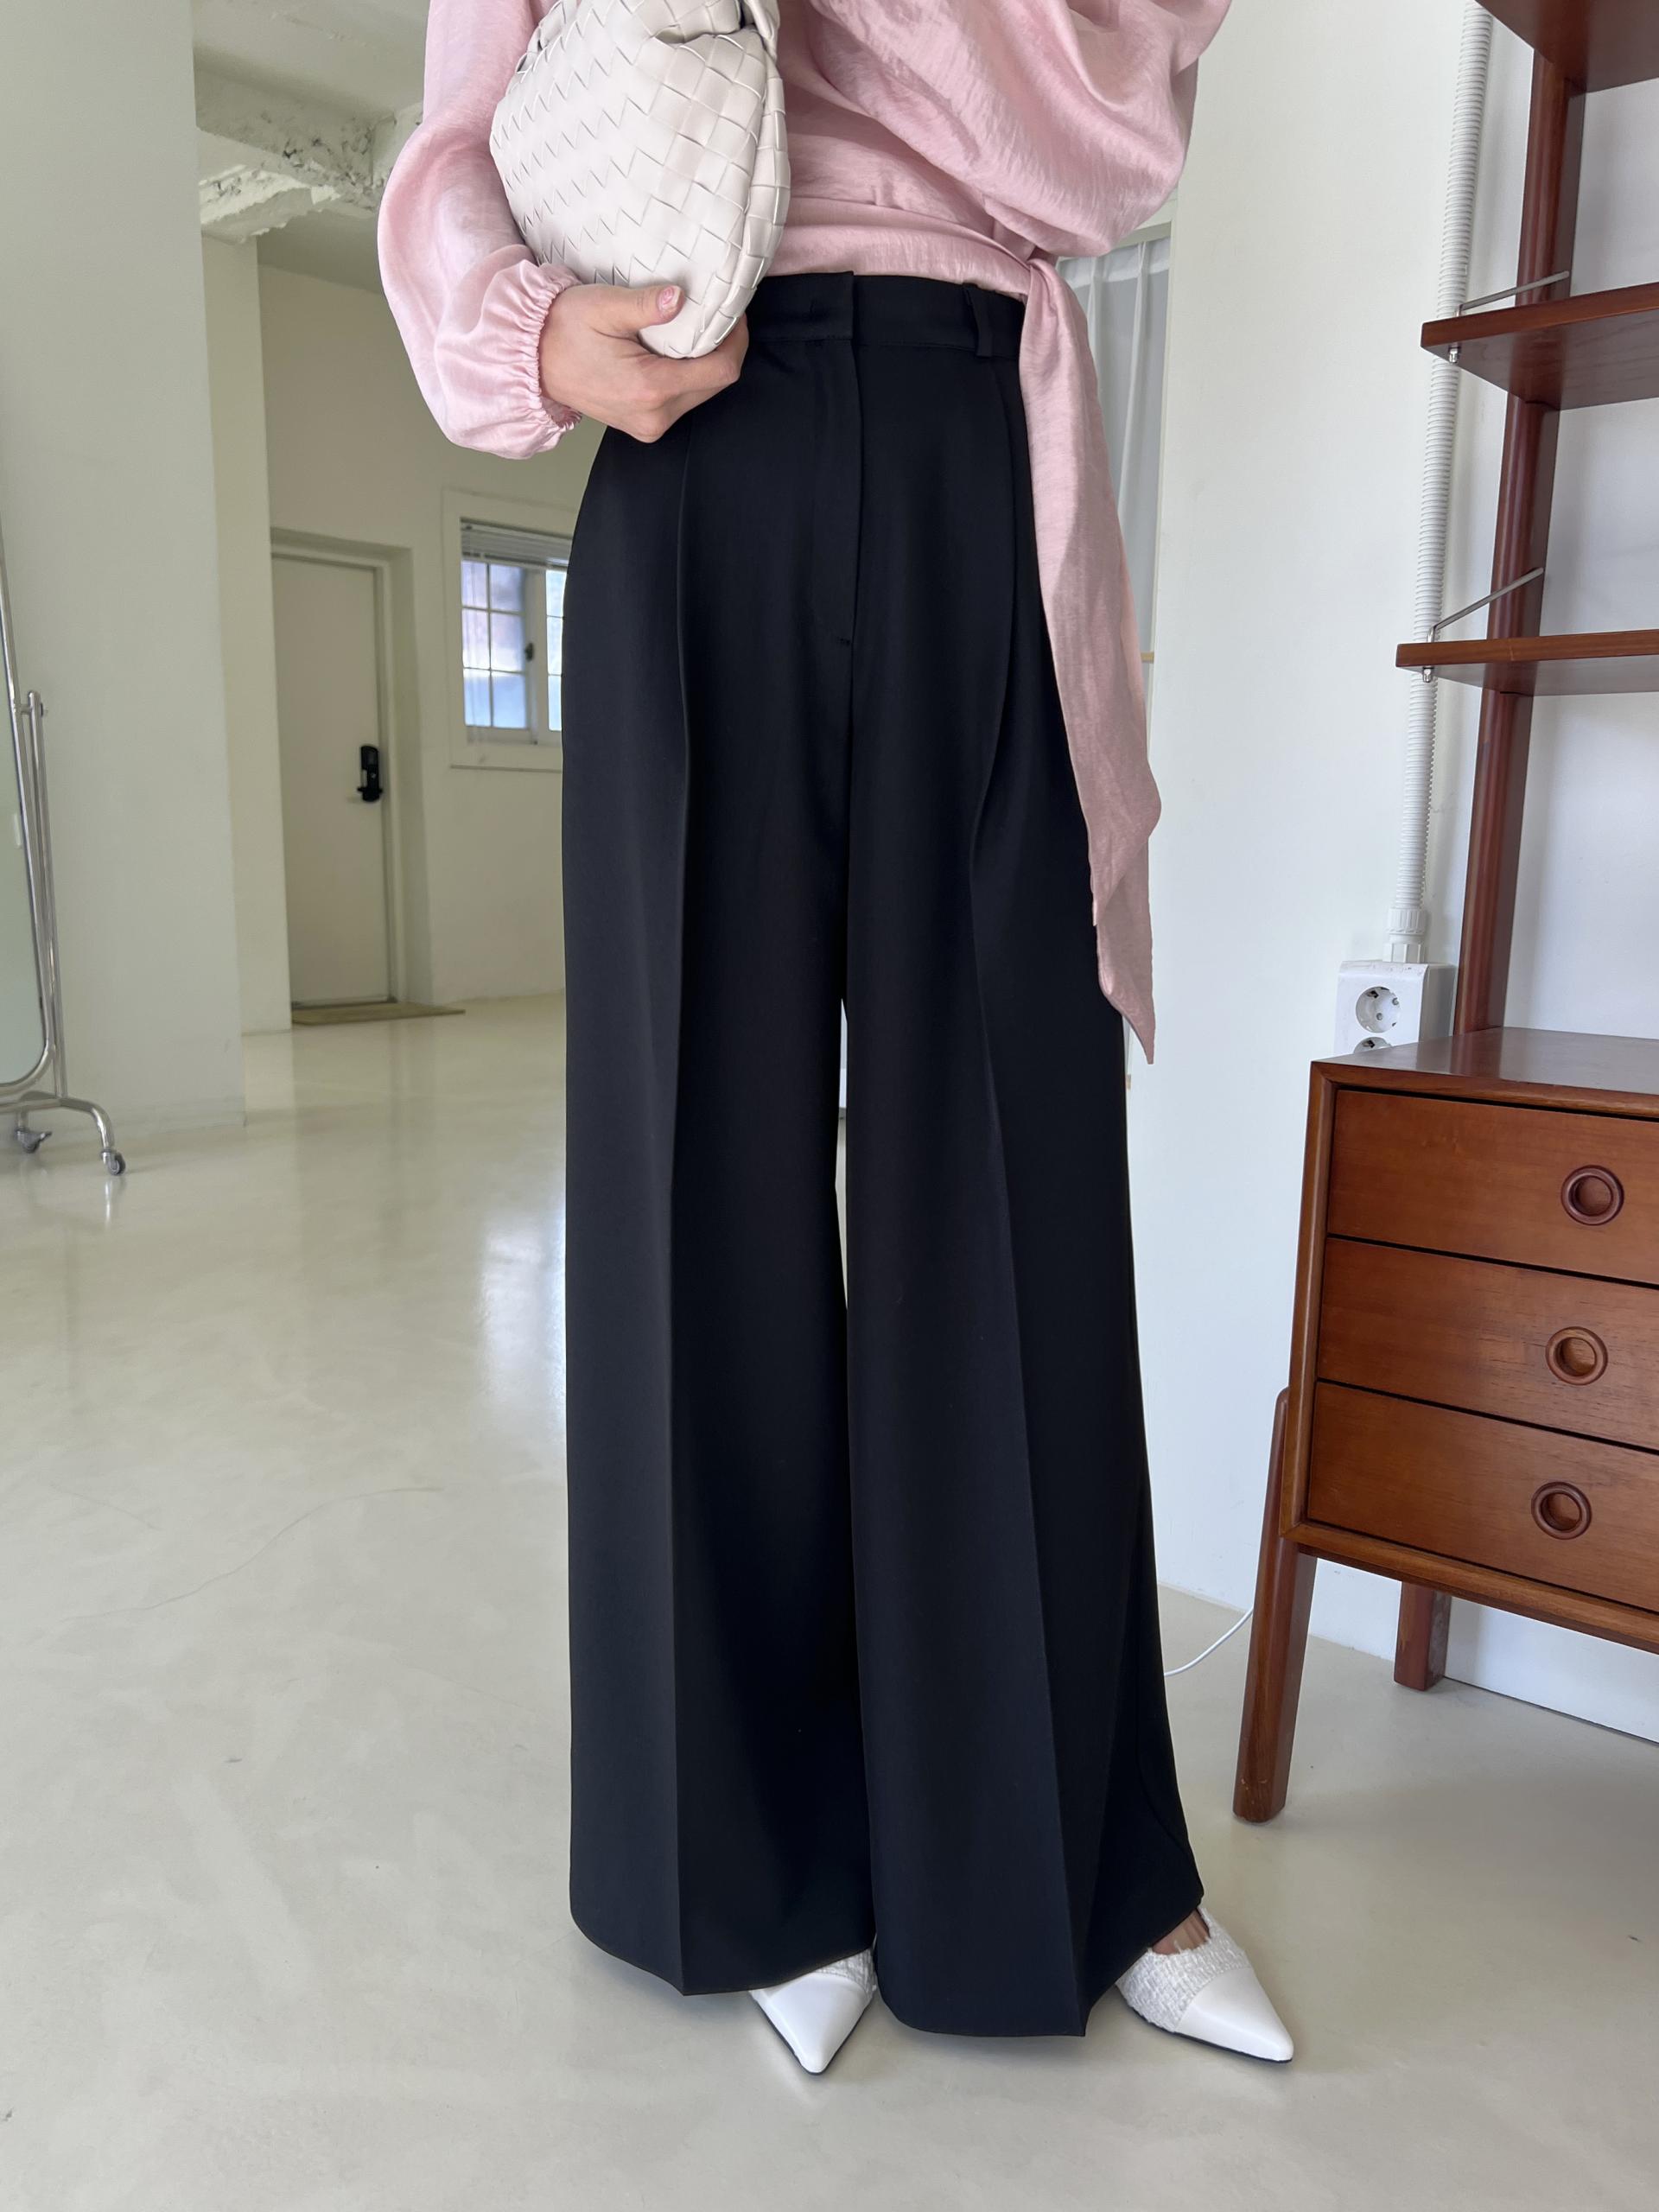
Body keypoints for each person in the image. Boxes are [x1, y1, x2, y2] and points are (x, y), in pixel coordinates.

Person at [380, 0, 1290, 2075]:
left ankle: (1086, 1868)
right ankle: (756, 1859)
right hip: (690, 421)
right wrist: (525, 332)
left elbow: (1112, 143)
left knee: (1019, 1172)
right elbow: (447, 147)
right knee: (694, 1184)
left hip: (981, 429)